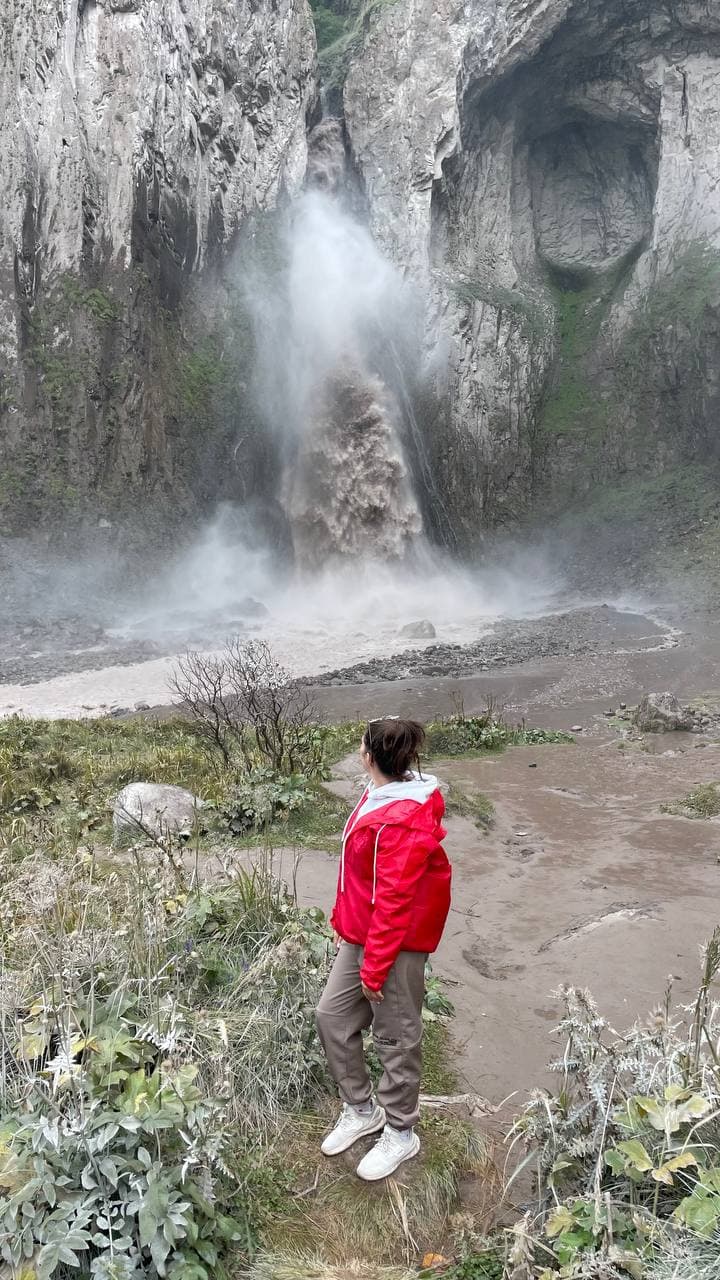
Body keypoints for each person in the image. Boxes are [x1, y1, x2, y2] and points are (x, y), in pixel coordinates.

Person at [316, 716, 452, 1181]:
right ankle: (361, 1109)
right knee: (332, 1016)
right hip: (365, 932)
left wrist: (375, 968)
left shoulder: (402, 819)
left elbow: (393, 901)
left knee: (394, 1036)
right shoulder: (383, 792)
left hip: (395, 942)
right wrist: (343, 919)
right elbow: (360, 878)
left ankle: (400, 1131)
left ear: (369, 755)